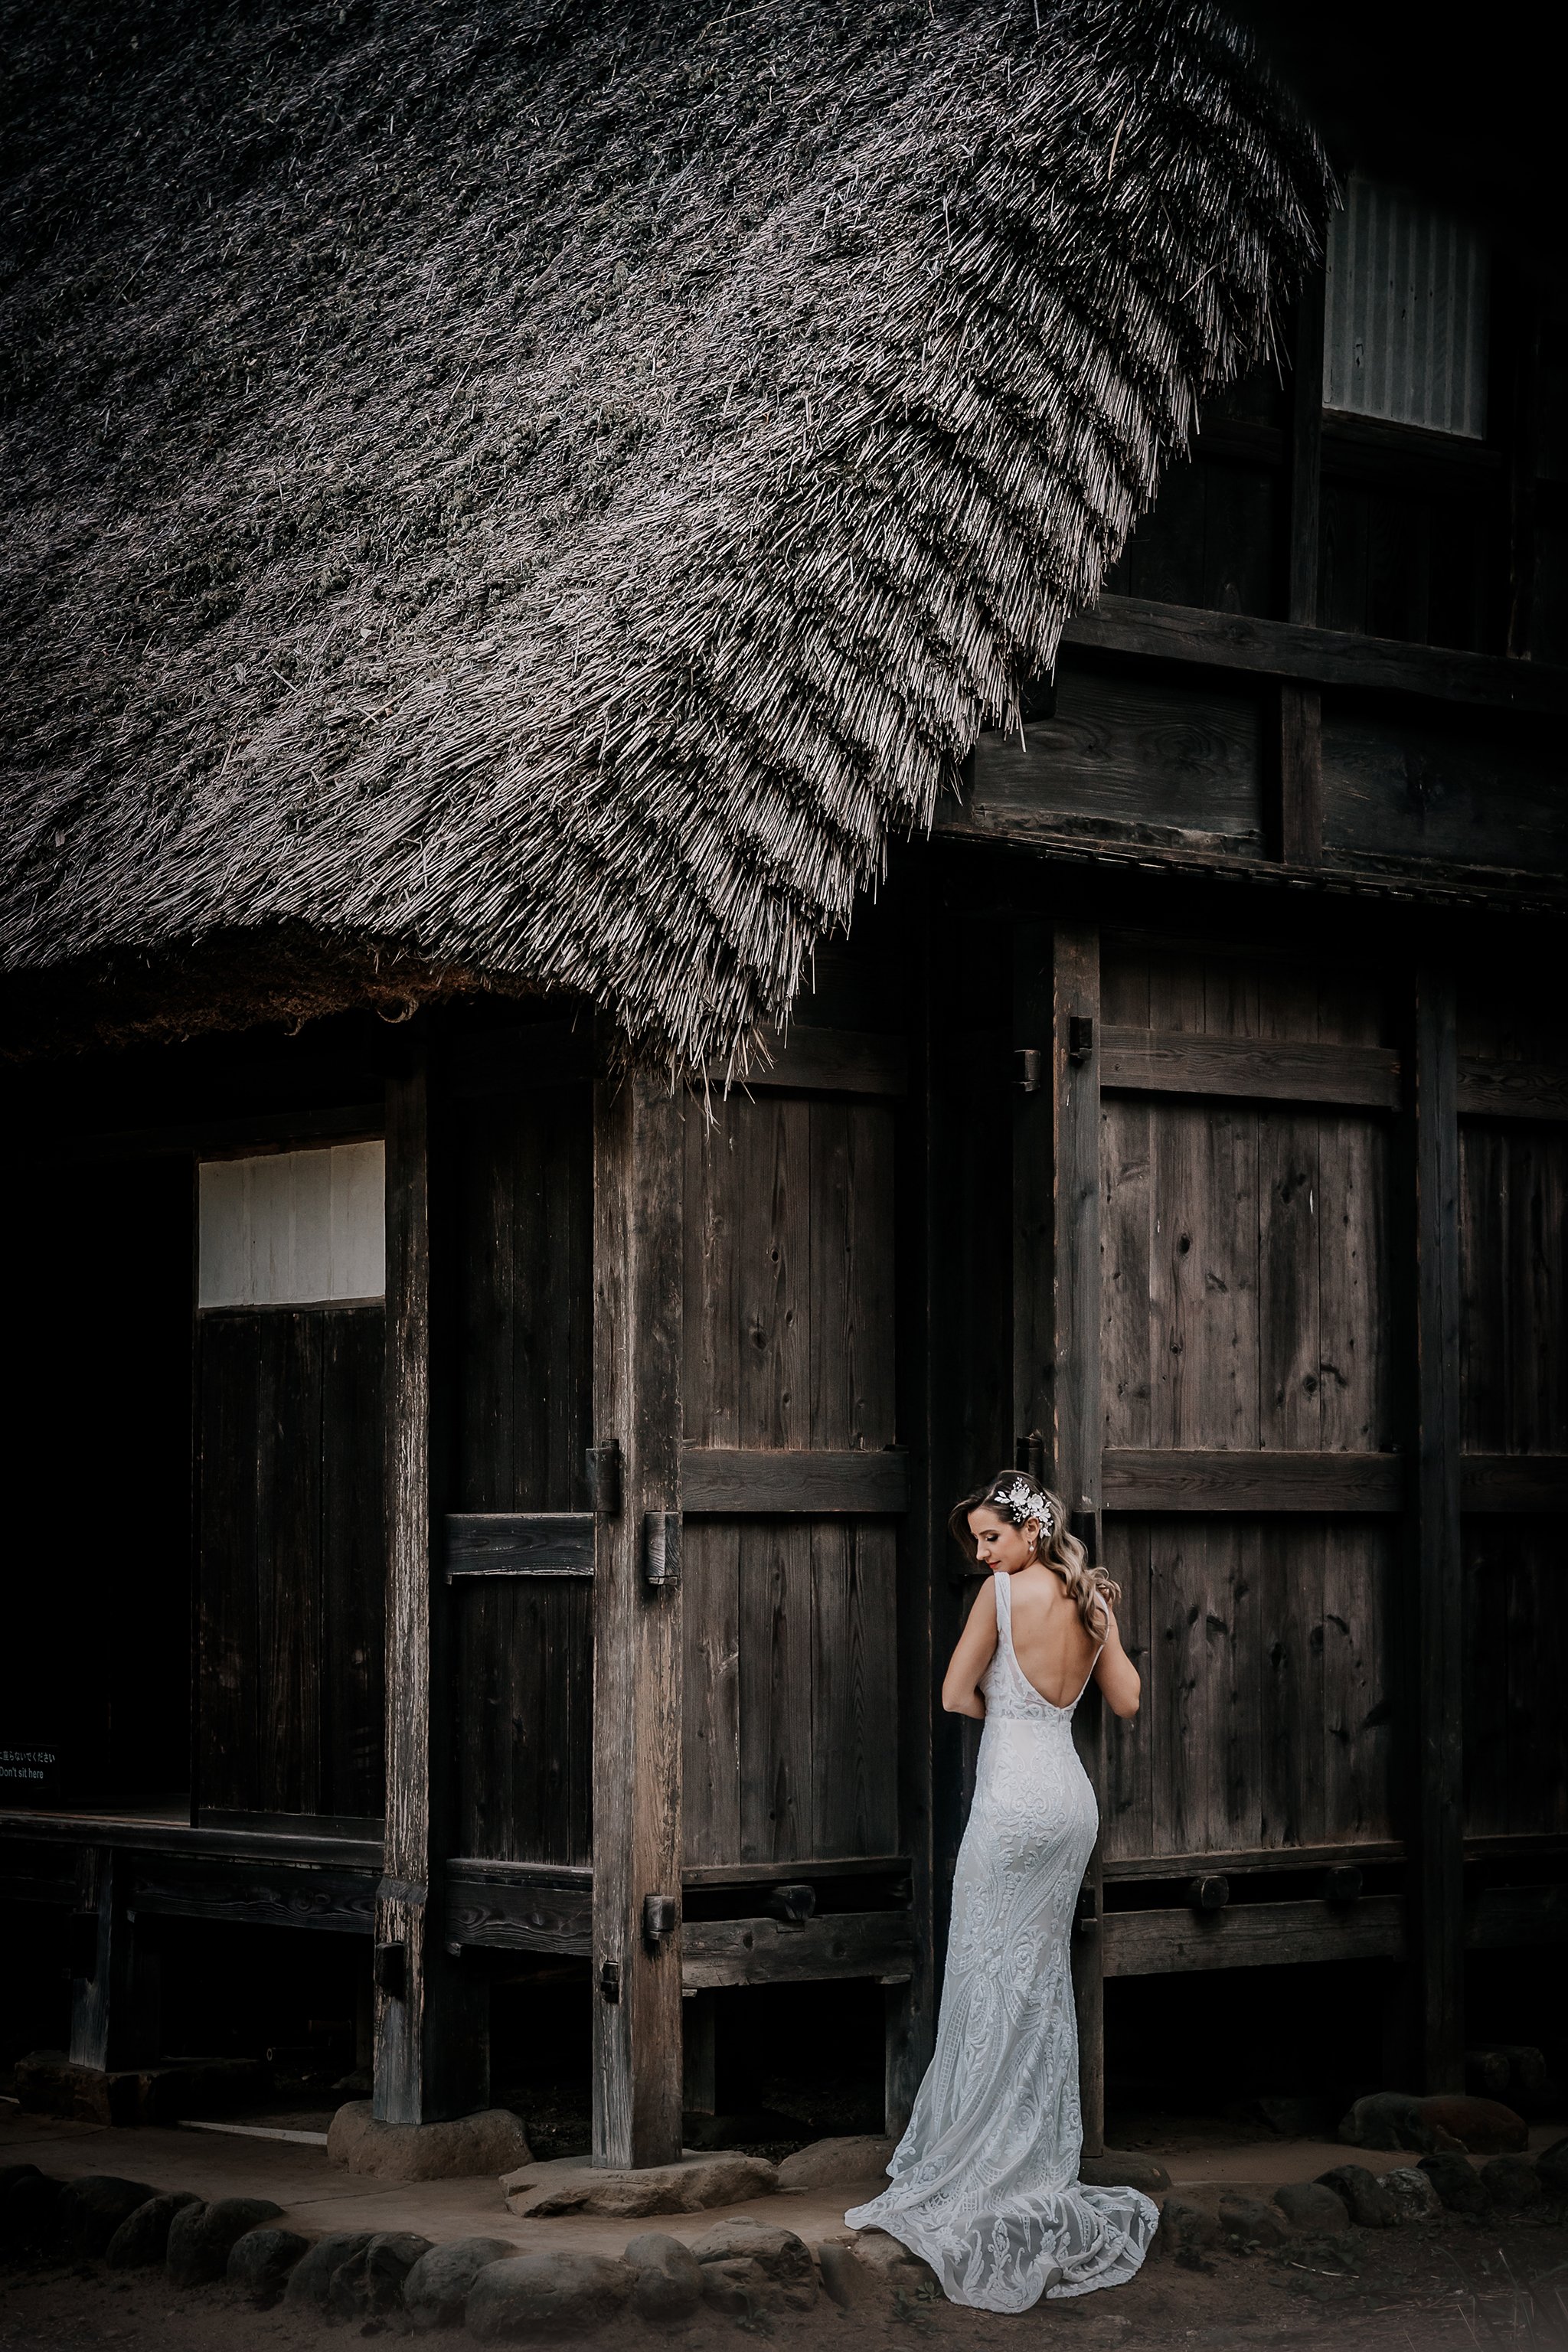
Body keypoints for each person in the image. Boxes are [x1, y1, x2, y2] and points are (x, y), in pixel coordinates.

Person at [844, 1471, 1157, 2311]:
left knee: (987, 1974)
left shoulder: (1001, 1594)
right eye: (978, 1541)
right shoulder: (1091, 1599)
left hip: (1012, 1796)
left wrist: (1009, 1710)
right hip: (1068, 1801)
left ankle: (976, 2160)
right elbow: (1125, 1700)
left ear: (1027, 1533)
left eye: (990, 1536)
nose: (981, 1553)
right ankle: (1033, 2163)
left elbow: (953, 1693)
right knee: (1037, 1982)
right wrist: (1095, 1633)